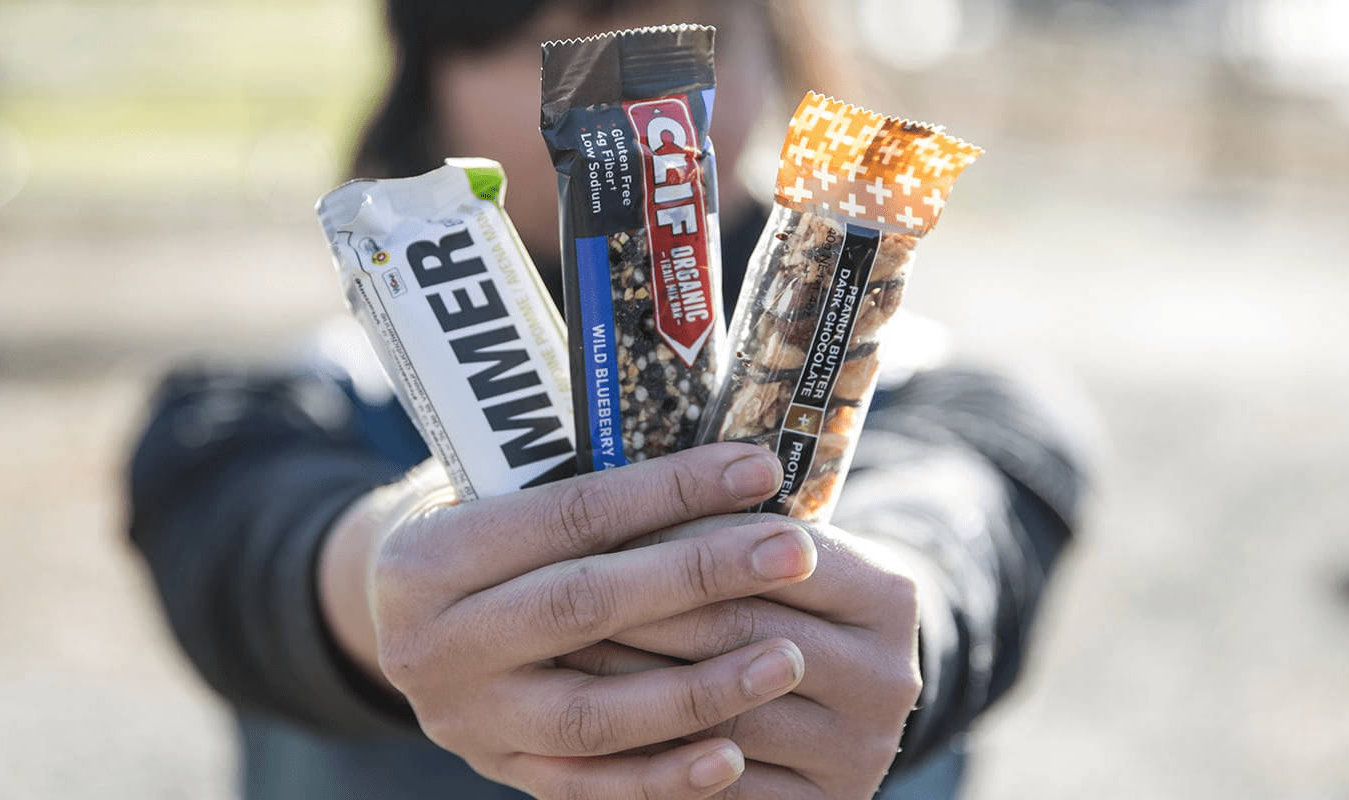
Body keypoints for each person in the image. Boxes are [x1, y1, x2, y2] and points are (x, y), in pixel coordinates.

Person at [126, 0, 1094, 797]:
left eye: (703, 31)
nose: (635, 93)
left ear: (777, 44)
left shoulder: (928, 386)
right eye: (554, 38)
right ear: (429, 72)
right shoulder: (309, 400)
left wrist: (872, 622)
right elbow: (235, 536)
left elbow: (962, 521)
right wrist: (385, 575)